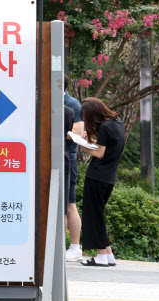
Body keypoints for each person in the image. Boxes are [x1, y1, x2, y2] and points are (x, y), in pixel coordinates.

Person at [78, 97, 126, 267]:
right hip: (109, 178)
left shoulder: (105, 127)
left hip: (97, 176)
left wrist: (80, 143)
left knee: (93, 216)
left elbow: (99, 153)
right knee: (98, 215)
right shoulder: (117, 123)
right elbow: (106, 148)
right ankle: (108, 254)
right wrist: (90, 141)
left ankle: (100, 256)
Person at [63, 76, 86, 262]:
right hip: (47, 158)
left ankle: (74, 247)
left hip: (66, 159)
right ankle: (57, 247)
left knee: (68, 205)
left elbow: (77, 133)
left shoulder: (72, 104)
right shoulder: (46, 101)